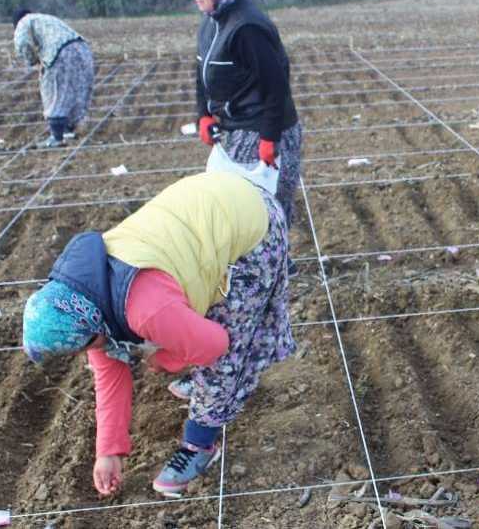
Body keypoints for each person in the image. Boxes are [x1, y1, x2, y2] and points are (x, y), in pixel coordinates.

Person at [21, 171, 294, 496]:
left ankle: (200, 446)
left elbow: (216, 345)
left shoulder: (145, 308)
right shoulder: (87, 297)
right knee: (187, 322)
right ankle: (192, 364)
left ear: (89, 326)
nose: (88, 351)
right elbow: (109, 375)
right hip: (212, 199)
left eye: (85, 345)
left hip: (253, 225)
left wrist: (167, 358)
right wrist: (108, 453)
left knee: (225, 347)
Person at [179, 0, 303, 273]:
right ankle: (257, 261)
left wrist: (269, 137)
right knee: (236, 198)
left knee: (263, 198)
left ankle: (273, 263)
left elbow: (276, 84)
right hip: (236, 125)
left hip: (262, 125)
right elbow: (201, 73)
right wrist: (202, 115)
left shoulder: (248, 27)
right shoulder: (210, 23)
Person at [12, 10, 95, 148]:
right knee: (75, 89)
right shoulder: (45, 19)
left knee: (54, 91)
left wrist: (33, 60)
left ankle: (57, 137)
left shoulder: (23, 21)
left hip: (61, 52)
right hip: (82, 49)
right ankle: (68, 128)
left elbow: (22, 43)